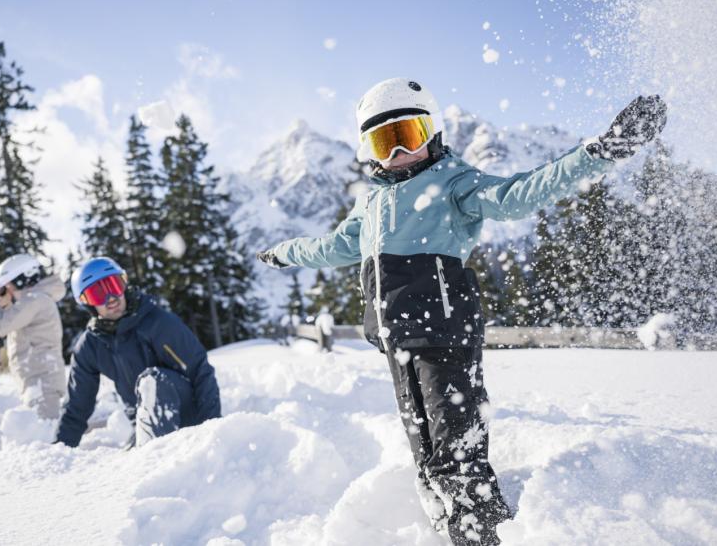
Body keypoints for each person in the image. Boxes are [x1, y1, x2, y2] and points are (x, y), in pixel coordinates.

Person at [256, 78, 667, 545]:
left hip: (443, 332)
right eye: (382, 144)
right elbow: (334, 246)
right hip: (396, 342)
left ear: (431, 134)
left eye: (406, 137)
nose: (396, 156)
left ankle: (479, 530)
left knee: (458, 448)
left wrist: (599, 152)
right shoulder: (369, 201)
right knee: (424, 447)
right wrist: (286, 252)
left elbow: (519, 194)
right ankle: (442, 522)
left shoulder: (452, 182)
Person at [55, 257, 221, 449]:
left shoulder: (157, 323)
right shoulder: (90, 346)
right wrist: (59, 452)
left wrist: (212, 431)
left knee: (153, 381)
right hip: (145, 425)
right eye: (97, 293)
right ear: (86, 303)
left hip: (189, 417)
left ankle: (154, 457)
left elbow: (200, 370)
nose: (111, 298)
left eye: (113, 285)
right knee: (125, 465)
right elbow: (77, 405)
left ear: (124, 284)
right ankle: (147, 454)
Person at [0, 253, 67, 420]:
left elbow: (0, 326)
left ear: (21, 280)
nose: (4, 292)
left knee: (48, 434)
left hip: (42, 383)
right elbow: (21, 343)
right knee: (46, 431)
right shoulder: (30, 303)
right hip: (37, 380)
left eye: (6, 286)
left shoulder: (35, 301)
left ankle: (114, 428)